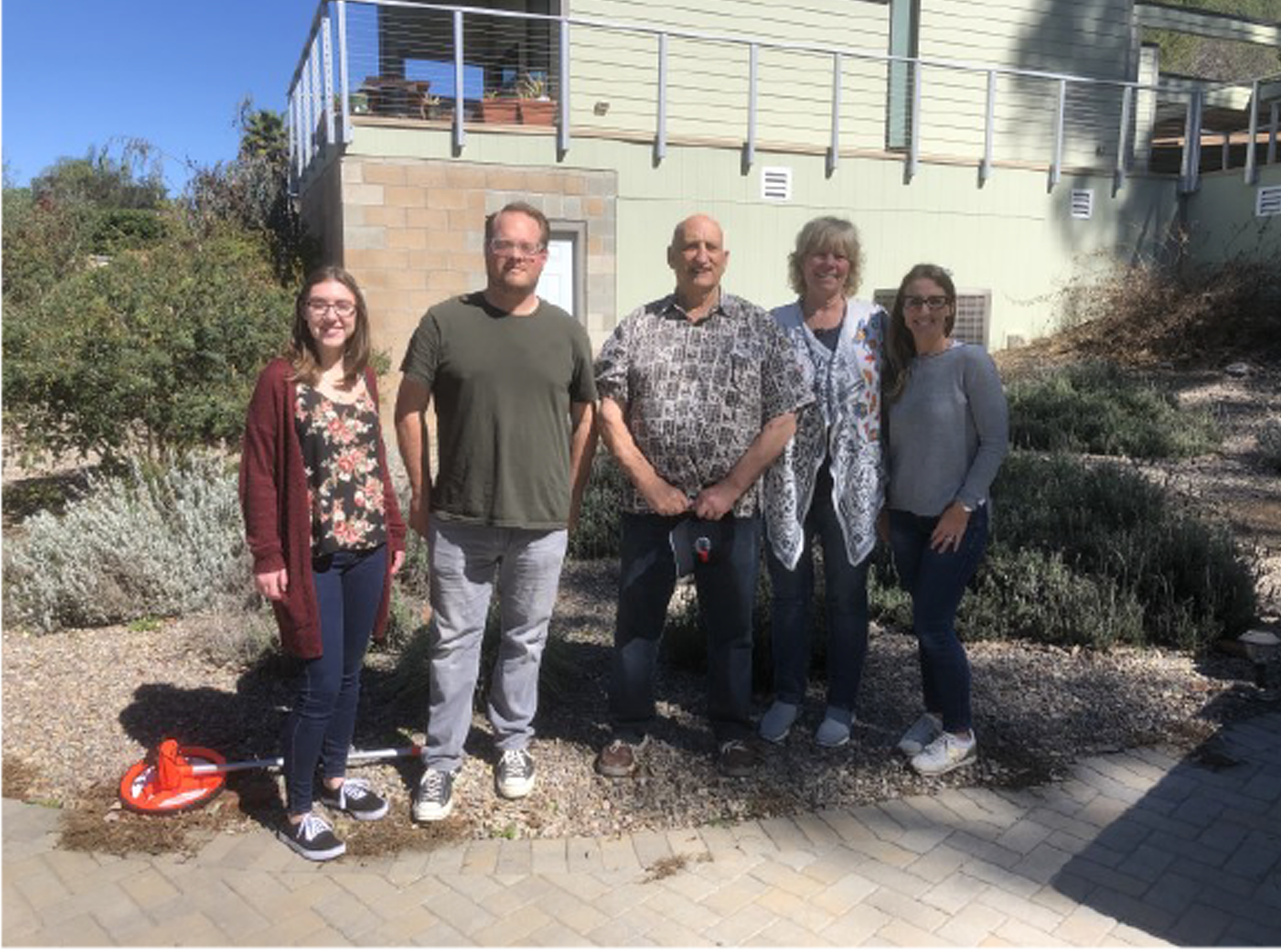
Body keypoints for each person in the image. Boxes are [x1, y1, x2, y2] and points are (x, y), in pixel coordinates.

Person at [395, 201, 597, 821]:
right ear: (488, 250)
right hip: (460, 517)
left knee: (525, 640)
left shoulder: (565, 331)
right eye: (504, 245)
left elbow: (585, 415)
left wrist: (571, 498)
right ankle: (441, 763)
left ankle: (513, 744)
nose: (515, 256)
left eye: (528, 247)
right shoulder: (444, 322)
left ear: (543, 257)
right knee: (453, 642)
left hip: (540, 521)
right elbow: (408, 408)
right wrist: (421, 495)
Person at [593, 213, 812, 779]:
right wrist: (649, 482)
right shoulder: (637, 326)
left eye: (712, 246)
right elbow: (607, 411)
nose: (701, 255)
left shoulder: (759, 328)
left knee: (732, 629)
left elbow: (784, 417)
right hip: (650, 510)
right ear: (672, 257)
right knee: (637, 624)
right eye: (689, 246)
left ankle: (731, 731)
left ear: (726, 258)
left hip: (732, 512)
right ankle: (628, 728)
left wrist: (730, 487)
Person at [240, 266, 407, 861]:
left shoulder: (363, 378)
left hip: (366, 549)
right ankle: (299, 808)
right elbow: (259, 472)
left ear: (357, 314)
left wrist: (394, 529)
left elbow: (375, 461)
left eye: (343, 305)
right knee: (316, 683)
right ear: (303, 313)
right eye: (320, 304)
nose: (332, 315)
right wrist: (267, 553)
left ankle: (334, 779)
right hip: (313, 555)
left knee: (350, 675)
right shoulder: (280, 380)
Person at [760, 217, 885, 748]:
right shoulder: (775, 323)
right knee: (789, 595)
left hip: (855, 481)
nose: (828, 264)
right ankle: (788, 696)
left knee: (847, 597)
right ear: (801, 261)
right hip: (789, 479)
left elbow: (896, 399)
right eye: (818, 254)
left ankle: (841, 704)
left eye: (838, 256)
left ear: (850, 266)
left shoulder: (875, 323)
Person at [881, 263, 1008, 777]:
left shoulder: (971, 363)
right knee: (926, 623)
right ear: (903, 310)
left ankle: (960, 732)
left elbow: (996, 442)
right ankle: (934, 714)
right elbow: (891, 449)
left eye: (935, 301)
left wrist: (962, 507)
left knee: (934, 625)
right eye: (914, 301)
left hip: (954, 520)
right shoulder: (900, 368)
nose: (924, 310)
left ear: (951, 307)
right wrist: (884, 512)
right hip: (907, 520)